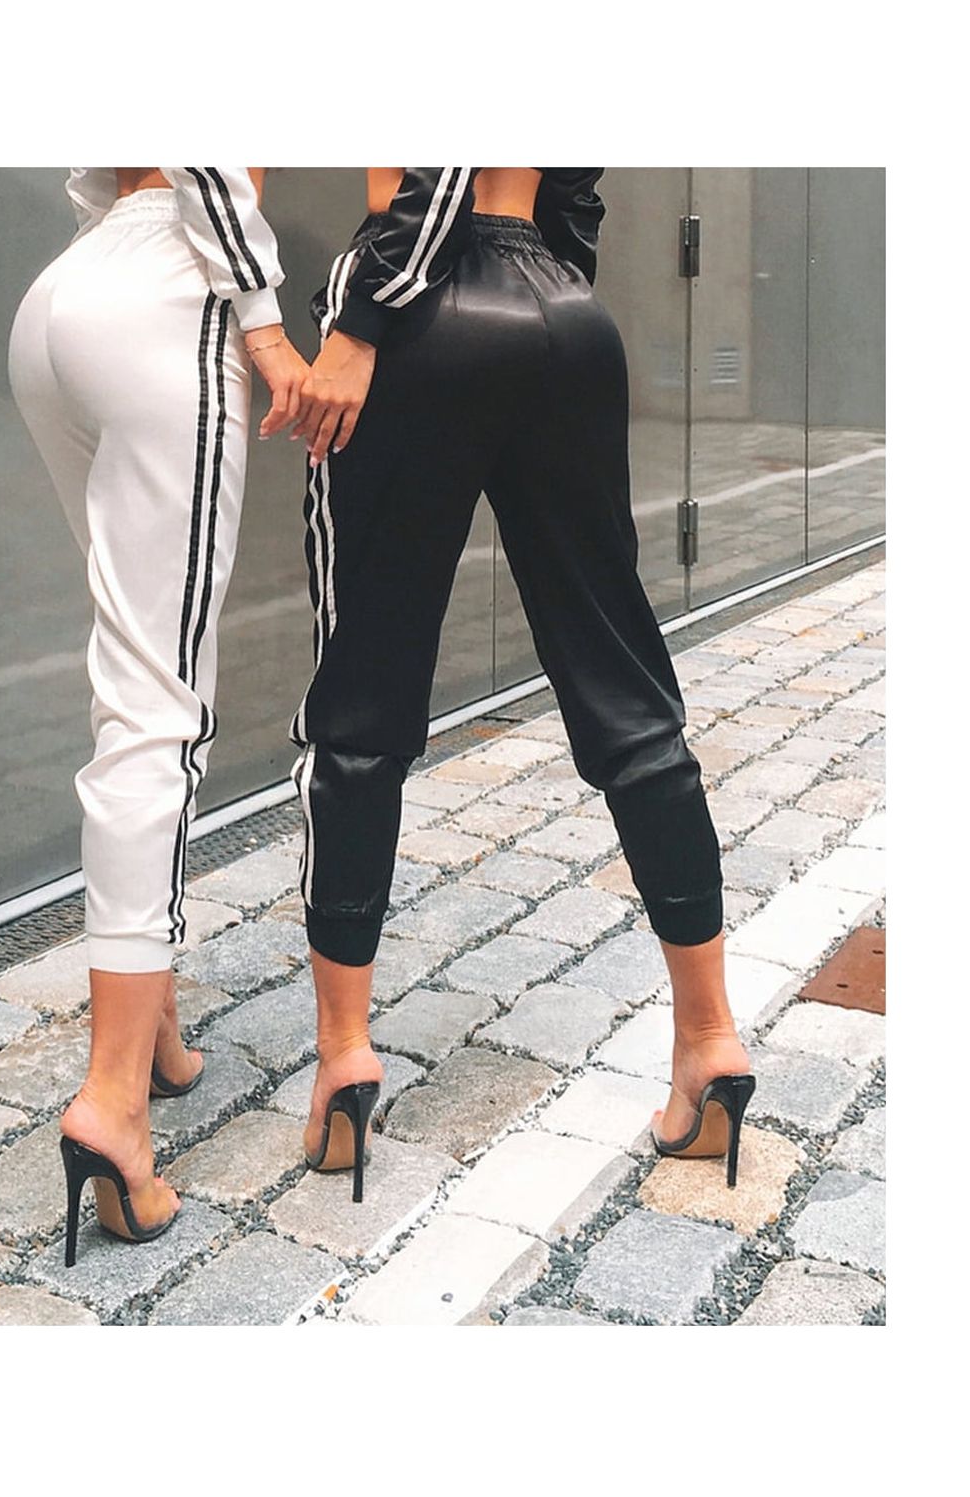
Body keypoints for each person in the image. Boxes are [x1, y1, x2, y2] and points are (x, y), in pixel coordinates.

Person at [287, 167, 755, 1199]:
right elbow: (574, 185)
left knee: (362, 695)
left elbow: (435, 163)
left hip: (417, 313)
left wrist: (362, 321)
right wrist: (550, 287)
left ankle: (344, 1056)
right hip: (564, 315)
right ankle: (710, 1036)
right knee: (625, 685)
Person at [8, 168, 309, 1264]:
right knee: (156, 706)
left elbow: (98, 166)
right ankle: (113, 1103)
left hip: (68, 293)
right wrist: (264, 320)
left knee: (132, 669)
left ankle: (158, 1030)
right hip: (173, 295)